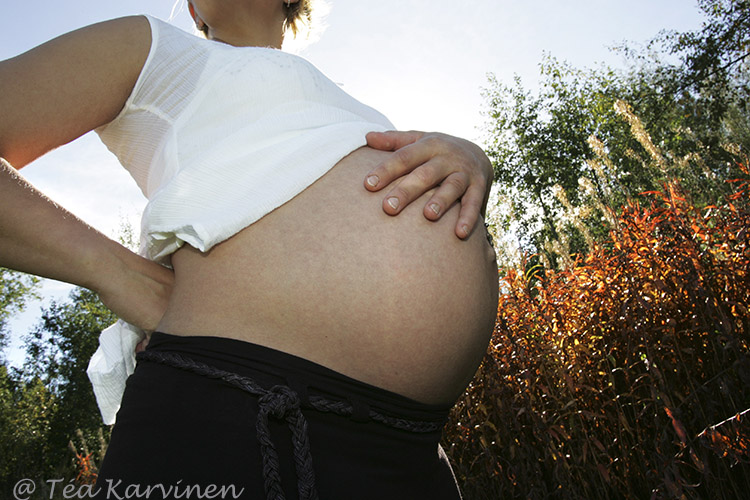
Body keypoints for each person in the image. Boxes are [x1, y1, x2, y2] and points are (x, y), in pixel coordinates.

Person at [0, 1, 498, 498]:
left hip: (413, 450)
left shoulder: (348, 103)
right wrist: (116, 273)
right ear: (194, 9)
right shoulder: (154, 48)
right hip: (231, 405)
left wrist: (471, 159)